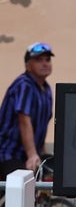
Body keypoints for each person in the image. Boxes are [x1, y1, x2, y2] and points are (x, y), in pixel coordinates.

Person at [0, 42, 55, 176]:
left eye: (47, 60)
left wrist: (40, 153)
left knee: (58, 167)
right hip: (9, 154)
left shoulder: (46, 89)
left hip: (28, 154)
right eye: (38, 60)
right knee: (22, 187)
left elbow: (41, 125)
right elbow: (24, 119)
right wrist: (32, 155)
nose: (45, 63)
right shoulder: (24, 85)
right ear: (27, 65)